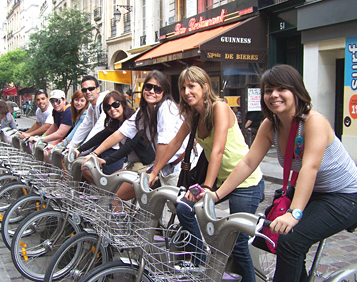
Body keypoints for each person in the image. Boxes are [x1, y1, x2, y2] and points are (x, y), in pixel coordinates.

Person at [202, 64, 357, 281]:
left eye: (281, 89)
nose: (274, 95)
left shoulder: (314, 122)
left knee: (290, 242)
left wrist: (294, 213)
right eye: (268, 90)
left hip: (345, 195)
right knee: (272, 239)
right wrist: (216, 195)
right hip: (315, 191)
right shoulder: (270, 125)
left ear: (296, 91)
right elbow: (247, 163)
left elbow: (309, 168)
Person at [148, 66, 264, 281]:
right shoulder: (194, 114)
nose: (186, 92)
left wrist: (207, 189)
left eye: (191, 86)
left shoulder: (219, 107)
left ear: (205, 87)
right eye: (183, 87)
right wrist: (154, 172)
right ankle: (200, 259)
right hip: (221, 180)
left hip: (245, 181)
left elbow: (218, 150)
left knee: (236, 243)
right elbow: (174, 143)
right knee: (184, 207)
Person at [87, 70, 187, 200]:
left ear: (164, 92)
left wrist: (154, 171)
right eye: (148, 87)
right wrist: (94, 154)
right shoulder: (144, 111)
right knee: (153, 208)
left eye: (157, 89)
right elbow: (120, 133)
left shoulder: (166, 107)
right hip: (164, 166)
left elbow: (164, 143)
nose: (151, 91)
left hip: (179, 166)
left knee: (178, 208)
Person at [74, 90, 140, 177]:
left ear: (123, 103)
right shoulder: (116, 123)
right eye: (108, 107)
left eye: (115, 104)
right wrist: (79, 149)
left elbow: (128, 146)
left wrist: (104, 159)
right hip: (132, 164)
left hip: (144, 166)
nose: (112, 109)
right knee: (108, 183)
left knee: (114, 187)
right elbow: (100, 136)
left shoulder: (133, 120)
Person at [67, 76, 109, 149]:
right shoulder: (91, 107)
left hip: (114, 147)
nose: (88, 92)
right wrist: (70, 146)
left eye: (91, 89)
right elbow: (84, 127)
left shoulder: (105, 103)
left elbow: (99, 128)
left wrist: (81, 149)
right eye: (84, 90)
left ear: (98, 89)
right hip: (103, 145)